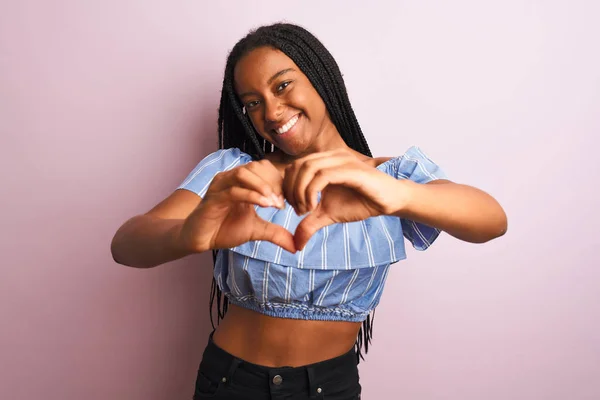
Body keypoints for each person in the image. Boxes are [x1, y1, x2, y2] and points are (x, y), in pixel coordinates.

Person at [111, 22, 507, 400]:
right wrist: (189, 233)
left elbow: (491, 220)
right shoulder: (236, 174)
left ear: (321, 77)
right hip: (230, 382)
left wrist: (394, 194)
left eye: (282, 86)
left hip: (329, 387)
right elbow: (126, 244)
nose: (271, 111)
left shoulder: (389, 179)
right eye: (253, 103)